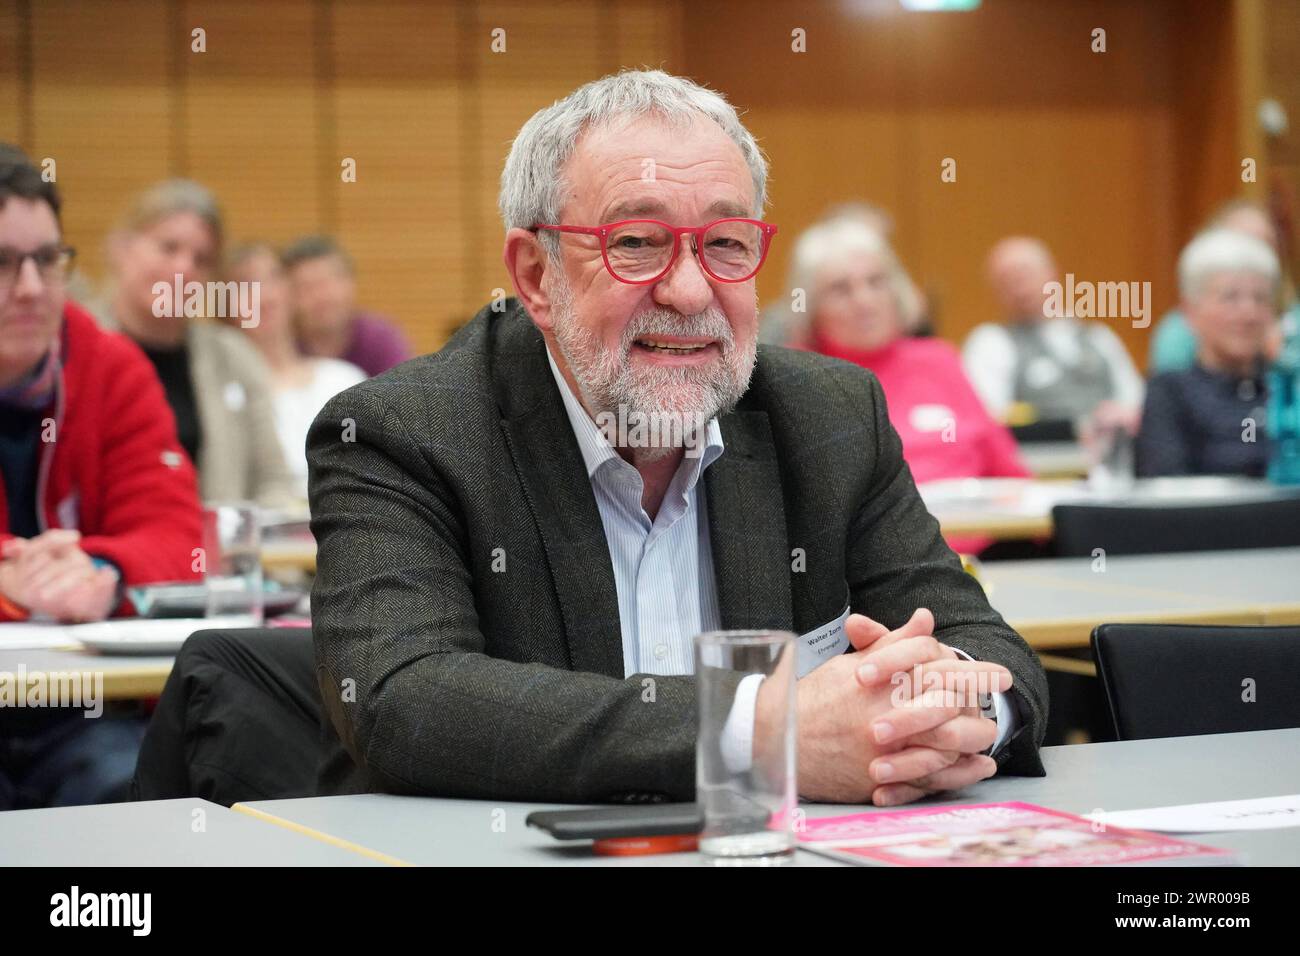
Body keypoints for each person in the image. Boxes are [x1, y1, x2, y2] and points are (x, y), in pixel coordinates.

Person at [307, 70, 1047, 806]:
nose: (690, 292)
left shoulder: (830, 416)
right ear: (537, 276)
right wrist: (763, 736)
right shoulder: (405, 434)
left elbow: (983, 644)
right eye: (636, 241)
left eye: (725, 242)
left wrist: (944, 714)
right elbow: (400, 697)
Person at [0, 145, 203, 808]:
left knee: (135, 791)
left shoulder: (108, 366)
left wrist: (99, 568)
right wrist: (11, 576)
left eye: (47, 261)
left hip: (83, 713)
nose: (31, 288)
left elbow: (180, 538)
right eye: (3, 263)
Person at [99, 180, 296, 508]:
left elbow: (273, 481)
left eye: (201, 259)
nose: (183, 269)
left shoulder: (234, 357)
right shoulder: (76, 344)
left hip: (214, 555)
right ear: (123, 248)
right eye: (169, 248)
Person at [224, 243, 364, 501]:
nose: (263, 296)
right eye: (246, 285)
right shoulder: (225, 397)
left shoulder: (343, 378)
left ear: (292, 292)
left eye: (272, 278)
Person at [1137, 229, 1281, 477]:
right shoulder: (1170, 393)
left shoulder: (1285, 387)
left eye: (1260, 298)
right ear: (1190, 311)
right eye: (1230, 298)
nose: (1249, 313)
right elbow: (1166, 490)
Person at [963, 236, 1144, 430]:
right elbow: (988, 415)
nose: (1019, 288)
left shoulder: (1098, 336)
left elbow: (1136, 401)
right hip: (1039, 453)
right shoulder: (991, 342)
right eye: (1007, 280)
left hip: (1109, 451)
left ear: (1051, 274)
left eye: (1025, 274)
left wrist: (1123, 414)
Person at [1148, 200, 1298, 373]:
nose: (1253, 258)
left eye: (1266, 245)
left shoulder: (1293, 319)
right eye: (1239, 245)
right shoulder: (1178, 331)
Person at [281, 235, 412, 376]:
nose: (321, 297)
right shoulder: (282, 345)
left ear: (350, 283)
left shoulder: (380, 339)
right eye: (307, 287)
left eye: (327, 283)